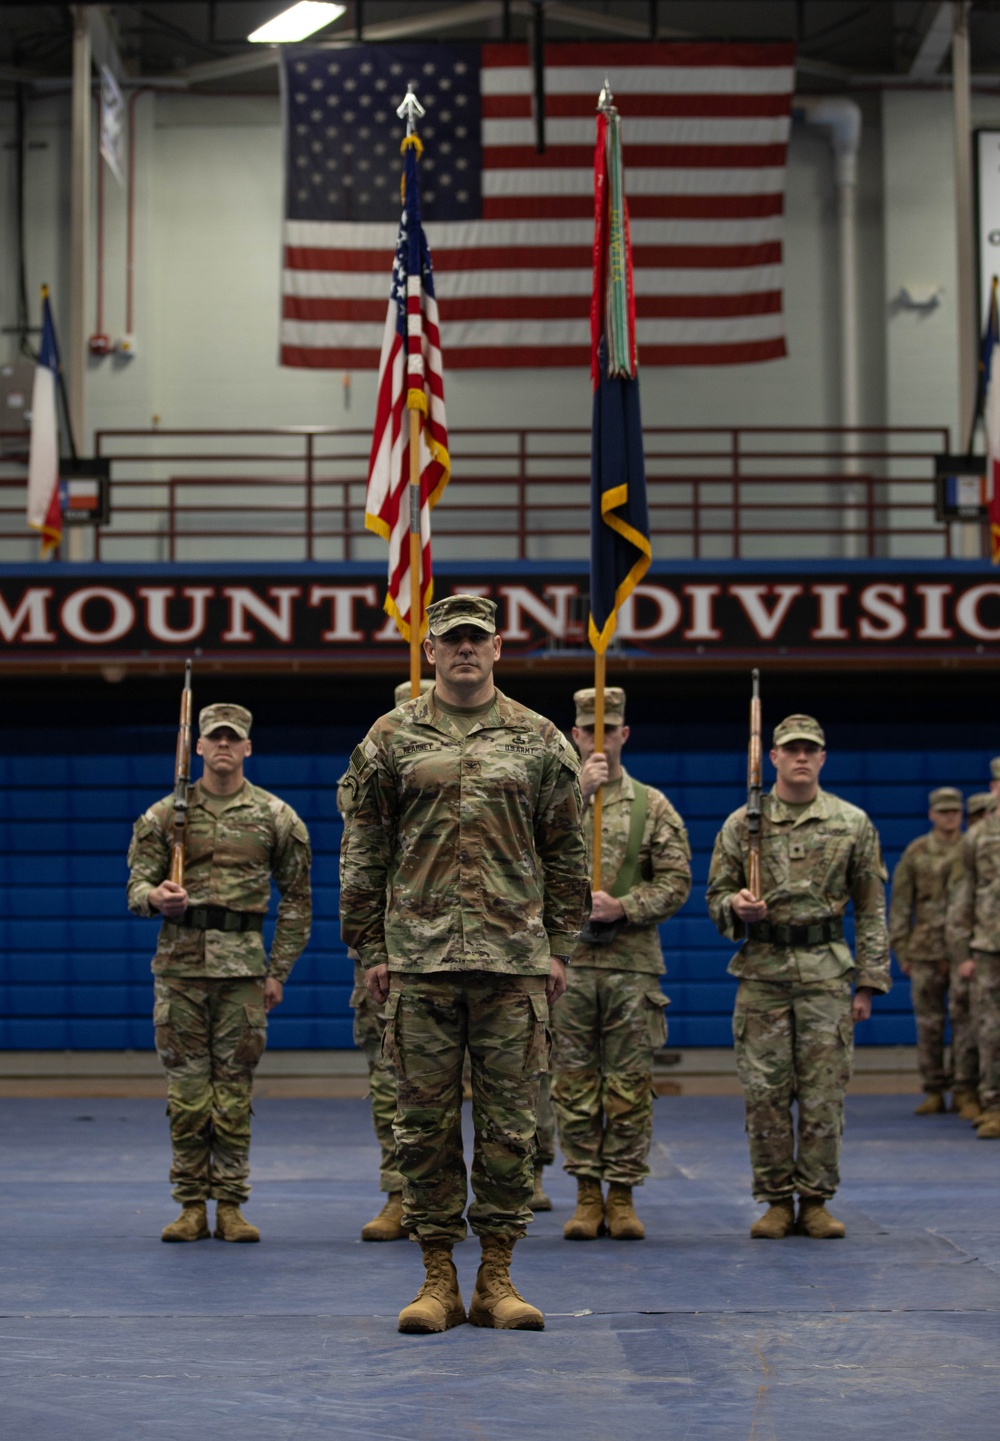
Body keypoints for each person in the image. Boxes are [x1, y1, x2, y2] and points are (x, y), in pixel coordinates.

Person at [339, 595, 589, 1333]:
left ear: (499, 647)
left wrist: (561, 944)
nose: (465, 650)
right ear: (430, 651)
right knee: (424, 1128)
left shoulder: (540, 738)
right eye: (451, 640)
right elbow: (364, 847)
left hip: (513, 962)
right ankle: (437, 1278)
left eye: (477, 638)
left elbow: (566, 850)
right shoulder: (390, 737)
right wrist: (371, 946)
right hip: (417, 963)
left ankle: (497, 1277)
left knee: (512, 1128)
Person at [127, 703, 311, 1243]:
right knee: (186, 1095)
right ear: (199, 747)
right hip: (180, 971)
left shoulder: (277, 818)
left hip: (243, 975)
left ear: (248, 747)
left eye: (234, 738)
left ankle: (230, 1203)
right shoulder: (163, 818)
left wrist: (277, 971)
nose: (224, 746)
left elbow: (297, 902)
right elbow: (135, 888)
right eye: (215, 738)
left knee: (233, 1093)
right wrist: (156, 897)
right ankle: (189, 1204)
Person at [706, 714, 891, 1240]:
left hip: (826, 974)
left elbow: (872, 908)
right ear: (774, 758)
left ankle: (814, 1199)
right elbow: (715, 896)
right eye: (792, 749)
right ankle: (775, 1200)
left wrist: (869, 983)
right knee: (764, 1093)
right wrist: (736, 907)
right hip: (763, 972)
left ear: (823, 757)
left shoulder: (852, 823)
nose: (802, 757)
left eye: (811, 749)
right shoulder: (744, 825)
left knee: (823, 1094)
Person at [553, 686, 691, 1242]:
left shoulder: (653, 806)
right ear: (575, 734)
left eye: (610, 729)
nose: (600, 738)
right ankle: (587, 1192)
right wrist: (574, 797)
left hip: (632, 966)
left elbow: (677, 880)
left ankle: (623, 1193)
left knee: (630, 1085)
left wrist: (626, 906)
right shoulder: (553, 801)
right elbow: (518, 861)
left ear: (624, 734)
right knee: (573, 1083)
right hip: (569, 966)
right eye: (590, 729)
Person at [346, 679, 432, 1243]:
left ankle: (469, 1197)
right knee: (392, 1083)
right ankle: (400, 1193)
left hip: (460, 947)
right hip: (389, 947)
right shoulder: (373, 762)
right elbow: (359, 846)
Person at [888, 788, 964, 1114]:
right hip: (926, 950)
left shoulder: (971, 848)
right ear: (932, 814)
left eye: (954, 811)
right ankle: (934, 1089)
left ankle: (965, 1088)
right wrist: (902, 949)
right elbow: (902, 904)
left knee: (967, 1024)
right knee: (929, 1023)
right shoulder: (917, 852)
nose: (949, 817)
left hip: (964, 952)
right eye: (943, 811)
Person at [945, 786, 1000, 1139]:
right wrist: (961, 954)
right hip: (989, 948)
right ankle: (994, 1106)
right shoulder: (978, 836)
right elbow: (961, 898)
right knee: (990, 1029)